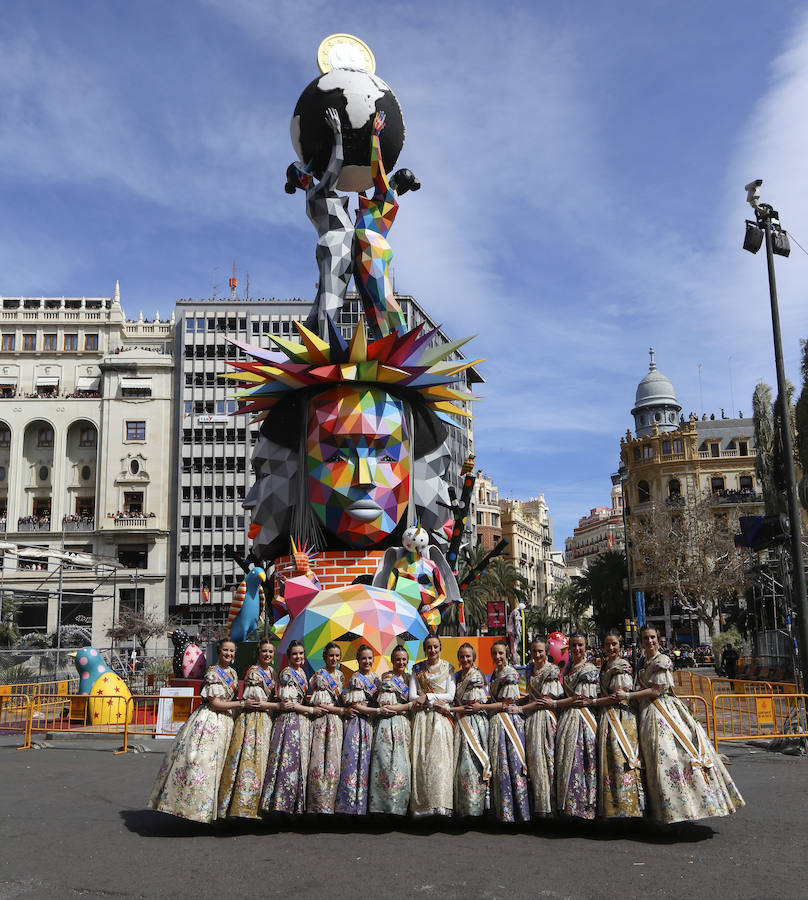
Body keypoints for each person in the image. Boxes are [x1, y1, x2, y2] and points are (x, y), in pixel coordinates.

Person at [618, 624, 744, 824]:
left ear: (658, 639)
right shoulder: (644, 661)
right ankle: (659, 812)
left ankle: (677, 811)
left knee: (669, 759)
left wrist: (628, 695)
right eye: (645, 638)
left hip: (662, 713)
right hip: (647, 713)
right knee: (653, 762)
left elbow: (657, 690)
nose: (649, 641)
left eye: (652, 637)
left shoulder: (662, 660)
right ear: (641, 641)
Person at [148, 639, 241, 823]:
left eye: (231, 651)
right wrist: (241, 704)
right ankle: (196, 809)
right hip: (210, 721)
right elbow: (215, 703)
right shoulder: (213, 673)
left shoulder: (232, 673)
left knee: (222, 767)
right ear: (219, 651)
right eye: (225, 650)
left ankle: (218, 811)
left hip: (227, 722)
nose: (228, 654)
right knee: (202, 763)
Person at [286, 107, 354, 339]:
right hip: (338, 245)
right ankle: (325, 352)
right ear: (302, 177)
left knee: (323, 299)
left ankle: (309, 342)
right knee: (331, 301)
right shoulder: (317, 191)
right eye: (302, 168)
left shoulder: (311, 199)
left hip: (330, 245)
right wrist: (337, 134)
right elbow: (338, 162)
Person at [353, 110, 407, 338]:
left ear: (394, 181)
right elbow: (365, 193)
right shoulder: (383, 201)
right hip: (365, 244)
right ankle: (384, 343)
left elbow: (377, 168)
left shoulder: (387, 196)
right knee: (371, 303)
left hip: (370, 244)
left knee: (382, 297)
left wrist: (374, 134)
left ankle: (403, 337)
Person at [218, 638, 280, 820]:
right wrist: (278, 706)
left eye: (270, 652)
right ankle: (242, 808)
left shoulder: (271, 672)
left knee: (262, 764)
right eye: (264, 652)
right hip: (253, 721)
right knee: (249, 762)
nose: (267, 655)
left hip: (265, 720)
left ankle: (258, 807)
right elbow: (255, 702)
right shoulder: (254, 672)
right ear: (258, 653)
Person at [259, 640, 322, 815]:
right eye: (295, 654)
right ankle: (281, 806)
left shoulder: (301, 672)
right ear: (289, 656)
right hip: (289, 722)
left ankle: (295, 806)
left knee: (299, 763)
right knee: (287, 763)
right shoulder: (287, 674)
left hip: (300, 721)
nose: (299, 657)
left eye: (301, 654)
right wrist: (311, 709)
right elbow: (289, 703)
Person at [596, 630, 645, 820]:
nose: (610, 648)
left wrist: (591, 702)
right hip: (607, 716)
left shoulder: (621, 666)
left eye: (614, 644)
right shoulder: (606, 665)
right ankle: (612, 808)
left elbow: (617, 696)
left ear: (620, 645)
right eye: (607, 644)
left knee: (622, 761)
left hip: (620, 717)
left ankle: (630, 808)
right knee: (610, 764)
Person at [554, 631, 599, 820]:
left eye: (580, 645)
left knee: (583, 762)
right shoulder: (568, 667)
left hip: (583, 721)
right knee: (568, 762)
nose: (577, 649)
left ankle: (585, 808)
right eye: (573, 645)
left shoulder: (588, 669)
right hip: (568, 718)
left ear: (585, 647)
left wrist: (555, 704)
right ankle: (569, 807)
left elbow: (581, 699)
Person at [409, 634, 455, 816]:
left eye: (435, 647)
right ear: (424, 650)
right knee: (422, 760)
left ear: (440, 648)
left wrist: (428, 697)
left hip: (441, 719)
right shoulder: (417, 669)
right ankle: (423, 807)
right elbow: (413, 696)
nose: (432, 651)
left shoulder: (448, 668)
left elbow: (450, 696)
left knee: (441, 761)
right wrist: (430, 699)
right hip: (422, 720)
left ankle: (442, 804)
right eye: (429, 647)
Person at [519, 636, 563, 818]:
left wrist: (520, 708)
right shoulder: (527, 670)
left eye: (540, 651)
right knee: (532, 763)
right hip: (530, 721)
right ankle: (537, 806)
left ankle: (550, 807)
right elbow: (525, 695)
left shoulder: (551, 671)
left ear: (546, 652)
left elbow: (545, 702)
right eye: (534, 651)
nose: (537, 655)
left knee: (548, 761)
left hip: (545, 721)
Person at [487, 639, 530, 823]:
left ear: (507, 654)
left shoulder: (510, 674)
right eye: (495, 653)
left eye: (501, 653)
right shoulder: (495, 674)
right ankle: (505, 812)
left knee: (513, 767)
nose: (497, 657)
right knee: (501, 768)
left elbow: (507, 702)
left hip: (509, 723)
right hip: (498, 722)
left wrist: (483, 706)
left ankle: (519, 812)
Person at [335, 644, 381, 815]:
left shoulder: (377, 680)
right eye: (363, 658)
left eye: (370, 658)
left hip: (371, 725)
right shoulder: (356, 679)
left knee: (368, 764)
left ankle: (365, 807)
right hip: (357, 725)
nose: (367, 661)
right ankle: (349, 806)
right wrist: (377, 711)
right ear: (358, 660)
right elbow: (357, 706)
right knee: (353, 763)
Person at [369, 644, 413, 815]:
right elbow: (386, 706)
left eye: (403, 659)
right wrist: (407, 705)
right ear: (392, 661)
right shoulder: (387, 678)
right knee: (385, 765)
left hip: (404, 725)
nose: (400, 662)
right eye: (397, 659)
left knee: (403, 766)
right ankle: (382, 807)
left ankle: (401, 806)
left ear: (407, 661)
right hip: (387, 726)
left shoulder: (411, 679)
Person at [448, 642, 490, 817]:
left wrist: (449, 710)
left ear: (473, 658)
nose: (465, 659)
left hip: (473, 725)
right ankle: (463, 806)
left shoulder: (476, 677)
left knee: (473, 764)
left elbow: (472, 707)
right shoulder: (456, 677)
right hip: (461, 723)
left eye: (468, 656)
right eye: (462, 656)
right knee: (461, 766)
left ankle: (476, 807)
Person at [307, 641, 347, 814]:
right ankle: (318, 804)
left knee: (333, 761)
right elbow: (321, 703)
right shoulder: (320, 676)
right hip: (323, 722)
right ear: (324, 657)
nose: (334, 658)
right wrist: (341, 710)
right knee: (319, 761)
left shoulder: (341, 675)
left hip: (336, 722)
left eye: (337, 656)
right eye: (331, 655)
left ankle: (331, 803)